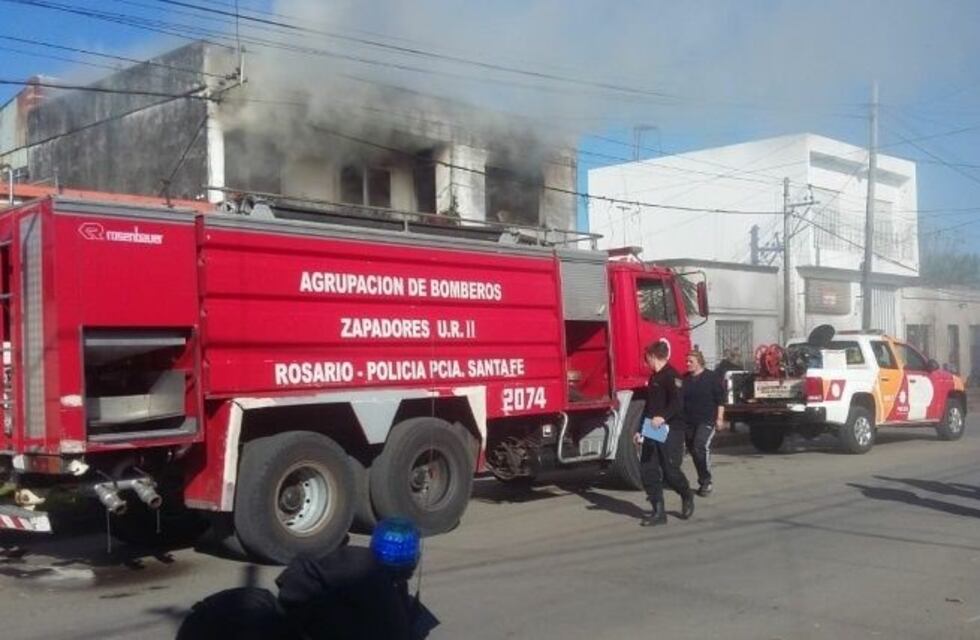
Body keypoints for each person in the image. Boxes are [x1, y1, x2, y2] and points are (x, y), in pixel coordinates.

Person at [633, 341, 695, 527]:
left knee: (670, 471)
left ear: (653, 356)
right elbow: (649, 407)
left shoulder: (672, 376)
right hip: (653, 428)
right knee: (648, 470)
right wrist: (639, 431)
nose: (646, 364)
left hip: (671, 429)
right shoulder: (654, 378)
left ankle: (686, 494)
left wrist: (663, 416)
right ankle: (658, 512)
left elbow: (677, 403)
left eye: (647, 360)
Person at [683, 349, 725, 497]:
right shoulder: (685, 379)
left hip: (707, 419)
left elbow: (720, 400)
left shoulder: (711, 377)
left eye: (690, 361)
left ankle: (706, 481)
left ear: (699, 362)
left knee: (700, 446)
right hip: (689, 421)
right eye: (686, 361)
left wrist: (719, 419)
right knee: (694, 451)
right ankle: (702, 479)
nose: (687, 364)